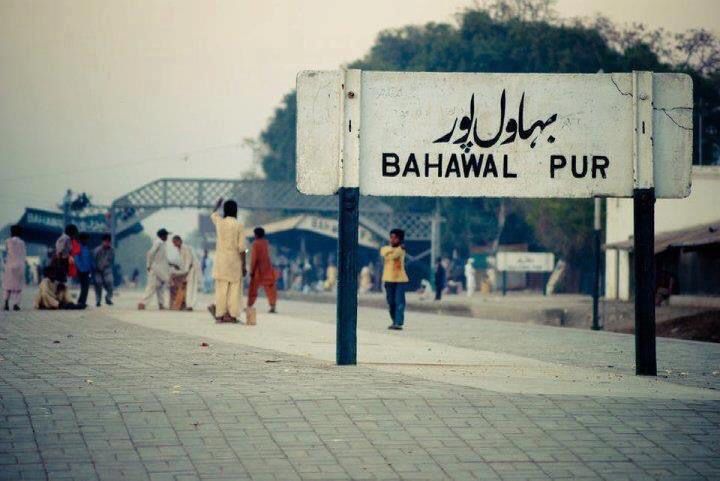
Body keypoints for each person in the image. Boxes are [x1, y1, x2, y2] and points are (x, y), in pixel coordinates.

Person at [208, 198, 246, 322]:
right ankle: (231, 315)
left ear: (224, 210)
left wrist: (216, 205)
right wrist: (244, 265)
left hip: (220, 262)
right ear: (236, 210)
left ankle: (220, 314)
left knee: (221, 290)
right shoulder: (239, 225)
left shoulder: (220, 222)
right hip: (234, 262)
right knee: (234, 291)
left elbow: (213, 214)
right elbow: (242, 249)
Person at [381, 228, 409, 330]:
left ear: (400, 239)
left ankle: (398, 322)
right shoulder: (387, 248)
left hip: (400, 279)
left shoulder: (401, 250)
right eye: (391, 237)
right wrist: (391, 251)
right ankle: (394, 320)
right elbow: (384, 252)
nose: (392, 240)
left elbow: (394, 255)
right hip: (388, 279)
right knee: (391, 302)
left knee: (399, 301)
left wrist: (390, 253)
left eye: (395, 238)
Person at [138, 228, 171, 310]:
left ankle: (161, 304)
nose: (167, 237)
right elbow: (150, 254)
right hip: (155, 269)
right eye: (166, 235)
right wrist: (148, 265)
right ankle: (142, 303)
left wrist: (171, 264)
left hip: (160, 270)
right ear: (162, 236)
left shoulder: (163, 244)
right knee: (151, 286)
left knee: (160, 287)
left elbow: (163, 258)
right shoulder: (158, 243)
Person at [248, 227, 278, 313]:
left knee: (253, 288)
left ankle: (250, 305)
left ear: (256, 235)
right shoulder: (266, 243)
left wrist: (251, 271)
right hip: (267, 268)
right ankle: (273, 305)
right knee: (271, 288)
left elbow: (254, 258)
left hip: (258, 270)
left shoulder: (255, 244)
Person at [169, 235, 199, 310]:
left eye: (175, 242)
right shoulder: (180, 249)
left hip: (192, 269)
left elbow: (189, 261)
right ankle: (188, 304)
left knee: (191, 288)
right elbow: (183, 262)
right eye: (173, 243)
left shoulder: (185, 248)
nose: (174, 245)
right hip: (187, 269)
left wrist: (185, 272)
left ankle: (190, 306)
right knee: (188, 287)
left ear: (179, 241)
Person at [2, 225, 26, 311]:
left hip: (9, 265)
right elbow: (23, 255)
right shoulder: (22, 243)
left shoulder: (7, 241)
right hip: (19, 266)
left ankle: (6, 303)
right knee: (18, 287)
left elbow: (5, 253)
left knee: (7, 286)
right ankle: (16, 304)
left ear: (11, 232)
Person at [93, 234, 115, 307]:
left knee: (110, 281)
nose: (107, 243)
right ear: (102, 241)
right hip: (97, 270)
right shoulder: (97, 250)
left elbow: (112, 261)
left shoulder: (112, 250)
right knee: (98, 284)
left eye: (108, 241)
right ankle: (98, 300)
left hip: (107, 269)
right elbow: (93, 260)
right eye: (105, 241)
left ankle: (108, 298)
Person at [74, 233, 93, 308]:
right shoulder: (78, 248)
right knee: (84, 286)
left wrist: (91, 269)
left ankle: (82, 301)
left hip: (87, 271)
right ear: (81, 240)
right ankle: (81, 302)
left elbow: (89, 260)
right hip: (81, 271)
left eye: (87, 239)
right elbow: (77, 259)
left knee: (85, 286)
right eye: (85, 239)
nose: (87, 241)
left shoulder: (86, 248)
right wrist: (81, 269)